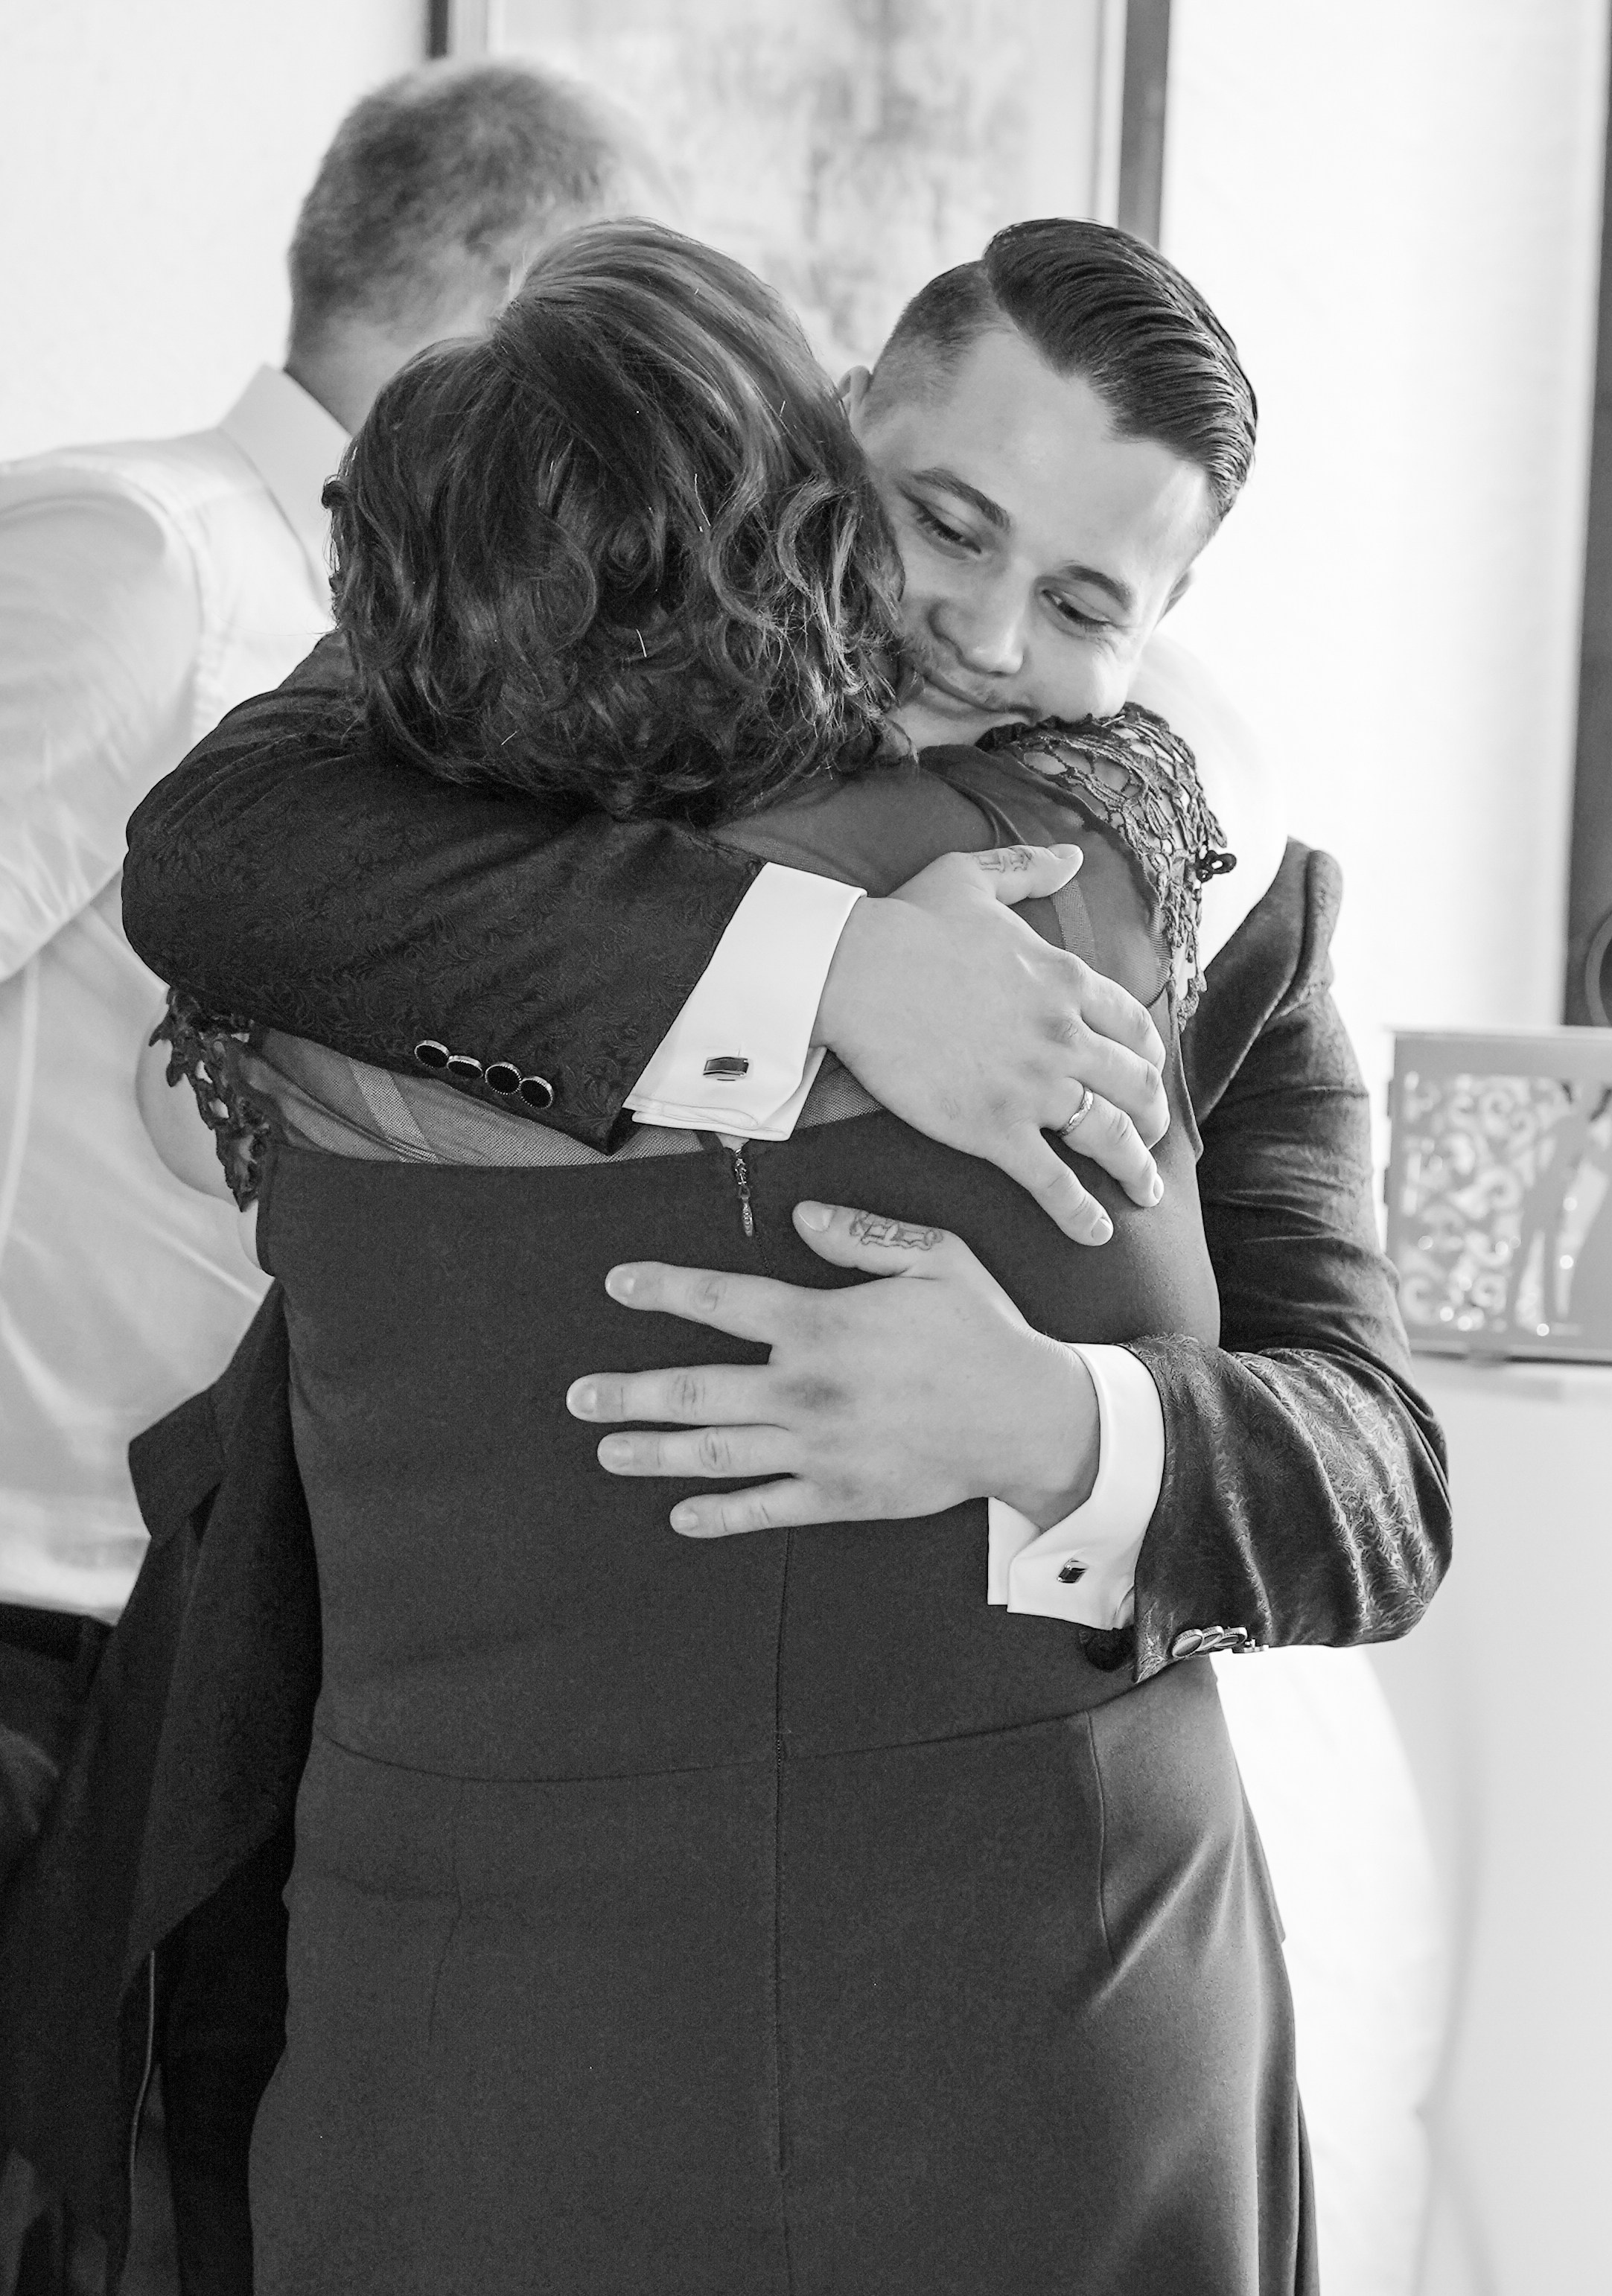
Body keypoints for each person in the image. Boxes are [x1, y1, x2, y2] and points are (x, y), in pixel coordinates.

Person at [117, 217, 1451, 2283]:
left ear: (1166, 622)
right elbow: (213, 858)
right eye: (945, 520)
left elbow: (1375, 1482)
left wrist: (1064, 1426)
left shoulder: (1232, 903)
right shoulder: (482, 708)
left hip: (1067, 2001)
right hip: (501, 2005)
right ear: (837, 435)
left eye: (1087, 598)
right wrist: (820, 965)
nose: (987, 632)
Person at [0, 54, 666, 2295]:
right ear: (504, 296)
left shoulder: (439, 646)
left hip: (206, 1638)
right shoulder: (140, 551)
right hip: (23, 1607)